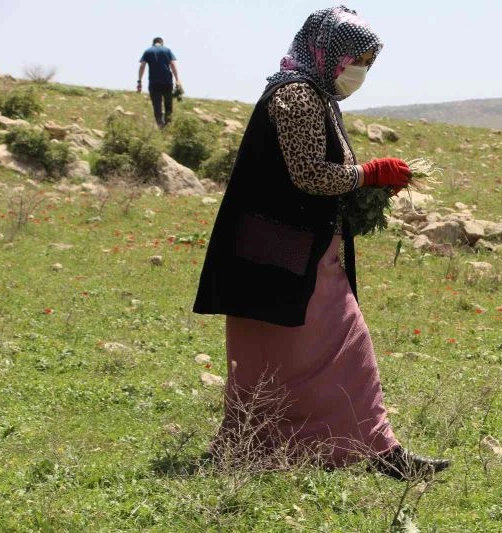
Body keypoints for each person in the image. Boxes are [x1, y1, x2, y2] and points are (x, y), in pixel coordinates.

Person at [192, 6, 450, 480]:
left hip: (294, 251)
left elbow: (326, 173)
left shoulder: (319, 96)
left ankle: (373, 448)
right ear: (328, 53)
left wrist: (369, 185)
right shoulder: (296, 96)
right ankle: (264, 448)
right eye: (357, 61)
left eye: (368, 64)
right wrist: (368, 175)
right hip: (282, 254)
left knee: (329, 350)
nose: (361, 72)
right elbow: (309, 174)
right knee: (285, 356)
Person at [137, 37, 182, 128]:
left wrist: (139, 81)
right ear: (162, 43)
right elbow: (173, 65)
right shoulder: (167, 50)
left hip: (154, 82)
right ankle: (168, 124)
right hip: (167, 81)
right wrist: (177, 79)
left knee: (157, 104)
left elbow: (142, 66)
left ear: (153, 43)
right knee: (168, 104)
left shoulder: (148, 51)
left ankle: (160, 124)